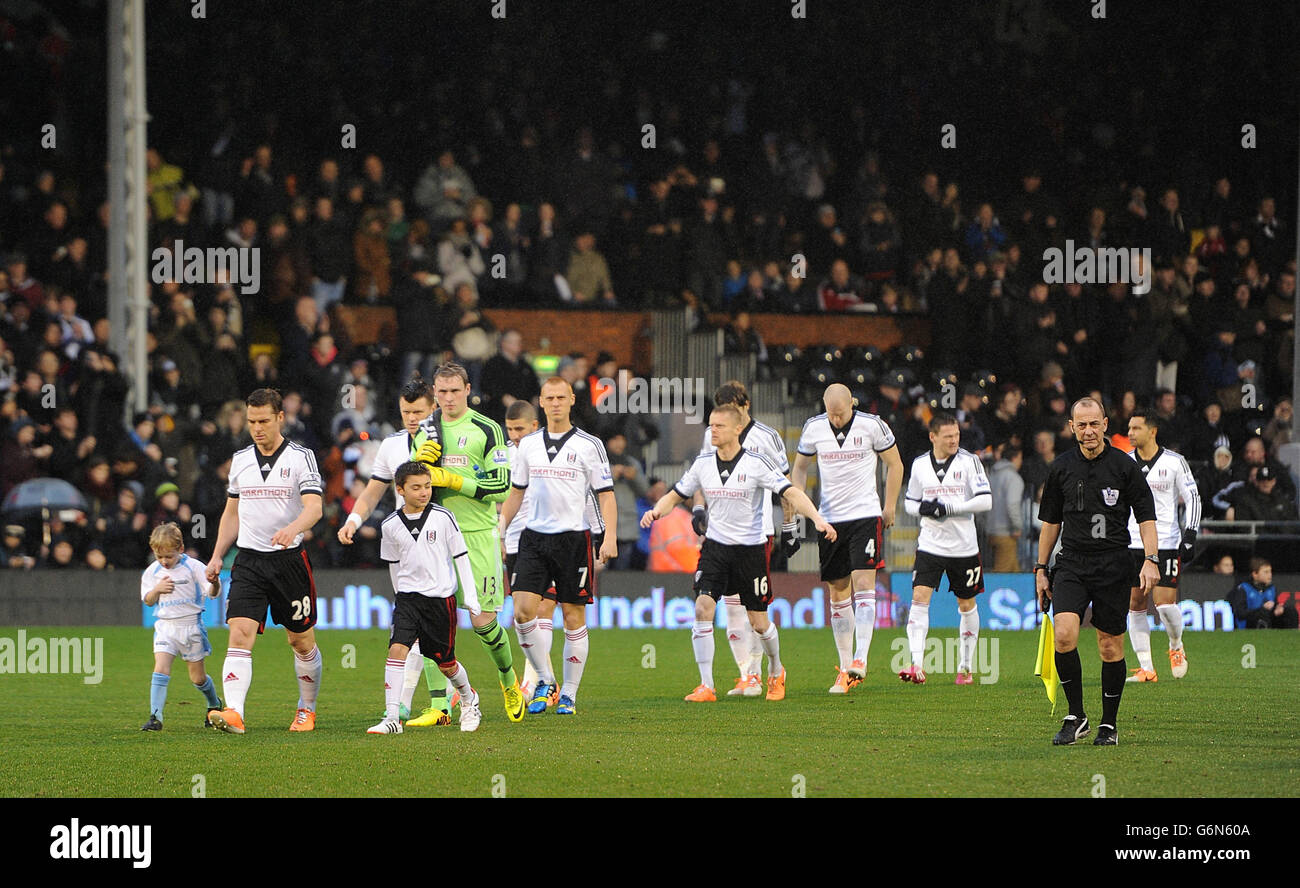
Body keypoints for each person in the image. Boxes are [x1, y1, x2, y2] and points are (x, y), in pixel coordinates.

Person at [642, 403, 837, 702]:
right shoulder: (703, 463)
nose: (713, 431)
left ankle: (776, 670)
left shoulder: (756, 463)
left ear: (736, 429)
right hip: (716, 548)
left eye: (719, 426)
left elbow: (791, 493)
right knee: (702, 608)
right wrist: (656, 512)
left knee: (758, 621)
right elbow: (676, 493)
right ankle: (706, 685)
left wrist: (817, 519)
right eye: (710, 425)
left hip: (750, 551)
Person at [1036, 398, 1158, 747]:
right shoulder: (1060, 468)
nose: (1088, 431)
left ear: (1105, 424)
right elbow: (1051, 523)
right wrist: (1041, 568)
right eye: (1081, 425)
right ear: (1071, 427)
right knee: (1064, 635)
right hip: (1072, 562)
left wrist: (1151, 559)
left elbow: (1146, 516)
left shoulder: (1124, 466)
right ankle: (1076, 716)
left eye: (1094, 424)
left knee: (1109, 646)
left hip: (1113, 564)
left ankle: (1108, 724)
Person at [204, 388, 325, 734]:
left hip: (289, 562)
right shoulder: (240, 459)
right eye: (251, 421)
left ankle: (307, 708)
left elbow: (314, 508)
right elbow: (232, 513)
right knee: (239, 633)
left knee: (300, 641)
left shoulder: (301, 457)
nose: (257, 428)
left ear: (279, 418)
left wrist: (293, 529)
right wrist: (216, 556)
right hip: (249, 561)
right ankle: (235, 713)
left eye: (263, 421)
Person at [408, 363, 523, 724]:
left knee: (482, 620)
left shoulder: (487, 429)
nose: (448, 398)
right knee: (429, 621)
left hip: (477, 536)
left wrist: (454, 480)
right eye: (441, 392)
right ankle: (440, 706)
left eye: (455, 391)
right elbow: (414, 489)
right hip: (436, 537)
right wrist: (416, 466)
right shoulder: (426, 430)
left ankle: (508, 680)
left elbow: (501, 486)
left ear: (467, 389)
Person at [497, 377, 618, 716]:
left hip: (573, 539)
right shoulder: (529, 446)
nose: (554, 403)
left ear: (571, 400)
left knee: (572, 615)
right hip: (533, 538)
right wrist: (501, 531)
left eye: (560, 397)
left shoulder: (589, 445)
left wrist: (607, 537)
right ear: (541, 401)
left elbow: (606, 495)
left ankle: (569, 693)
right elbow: (516, 493)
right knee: (522, 611)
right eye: (549, 398)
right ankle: (546, 678)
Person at [338, 374, 443, 722]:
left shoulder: (448, 442)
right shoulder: (391, 446)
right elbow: (372, 492)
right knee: (409, 624)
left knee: (434, 624)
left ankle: (440, 701)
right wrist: (354, 520)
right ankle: (421, 703)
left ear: (433, 409)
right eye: (406, 412)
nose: (412, 418)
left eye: (418, 411)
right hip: (402, 542)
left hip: (439, 541)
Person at [790, 383, 904, 693]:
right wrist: (801, 501)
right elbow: (799, 469)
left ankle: (861, 658)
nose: (837, 420)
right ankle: (844, 669)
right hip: (829, 520)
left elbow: (895, 464)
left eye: (841, 414)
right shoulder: (813, 428)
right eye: (832, 414)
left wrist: (890, 505)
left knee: (864, 583)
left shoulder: (872, 425)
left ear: (851, 405)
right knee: (838, 590)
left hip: (865, 516)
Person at [368, 461, 483, 734]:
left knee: (446, 663)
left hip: (440, 600)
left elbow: (461, 557)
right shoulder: (390, 525)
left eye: (428, 486)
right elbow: (394, 565)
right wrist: (400, 596)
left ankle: (469, 700)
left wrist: (472, 596)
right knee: (397, 650)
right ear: (400, 490)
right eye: (416, 487)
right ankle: (392, 718)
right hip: (408, 600)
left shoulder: (443, 517)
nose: (424, 492)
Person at [694, 381, 792, 697]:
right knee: (730, 606)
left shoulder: (767, 438)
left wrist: (789, 526)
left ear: (745, 406)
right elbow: (699, 474)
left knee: (753, 612)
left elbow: (786, 485)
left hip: (756, 531)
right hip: (721, 533)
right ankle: (748, 675)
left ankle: (768, 670)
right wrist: (698, 508)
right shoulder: (713, 434)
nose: (724, 419)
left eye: (732, 410)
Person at [900, 413, 992, 684]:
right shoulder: (919, 465)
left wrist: (949, 507)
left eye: (956, 435)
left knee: (966, 604)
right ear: (933, 436)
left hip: (964, 547)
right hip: (930, 544)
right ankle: (916, 664)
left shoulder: (970, 462)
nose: (954, 440)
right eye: (948, 436)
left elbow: (985, 501)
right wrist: (924, 509)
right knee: (919, 597)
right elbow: (909, 502)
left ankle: (965, 667)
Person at [1123, 410, 1201, 683]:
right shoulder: (1124, 462)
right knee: (1135, 605)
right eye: (1129, 428)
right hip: (1132, 542)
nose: (1130, 433)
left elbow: (1192, 497)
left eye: (1136, 428)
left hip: (1166, 541)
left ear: (1152, 431)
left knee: (1165, 605)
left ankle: (1176, 645)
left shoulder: (1175, 462)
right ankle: (1147, 668)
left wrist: (1190, 534)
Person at [139, 523, 224, 731]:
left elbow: (213, 593)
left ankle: (214, 704)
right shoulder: (153, 572)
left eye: (169, 556)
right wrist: (157, 590)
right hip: (165, 627)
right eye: (160, 557)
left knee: (198, 678)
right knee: (160, 668)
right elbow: (148, 600)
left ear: (181, 549)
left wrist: (214, 582)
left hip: (191, 627)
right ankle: (155, 717)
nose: (164, 561)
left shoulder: (193, 567)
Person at [1228, 558, 1297, 629]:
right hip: (1249, 623)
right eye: (1266, 572)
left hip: (1269, 620)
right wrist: (1261, 609)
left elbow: (1273, 609)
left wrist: (1277, 610)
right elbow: (1240, 613)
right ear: (1255, 574)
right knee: (1262, 614)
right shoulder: (1244, 589)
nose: (1269, 575)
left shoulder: (1271, 589)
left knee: (1290, 611)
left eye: (1270, 572)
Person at [987, 445, 1025, 571]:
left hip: (990, 530)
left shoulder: (991, 476)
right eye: (1020, 458)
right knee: (1001, 574)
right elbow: (1012, 504)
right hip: (1006, 532)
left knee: (1014, 571)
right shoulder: (1013, 478)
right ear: (1015, 458)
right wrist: (1017, 526)